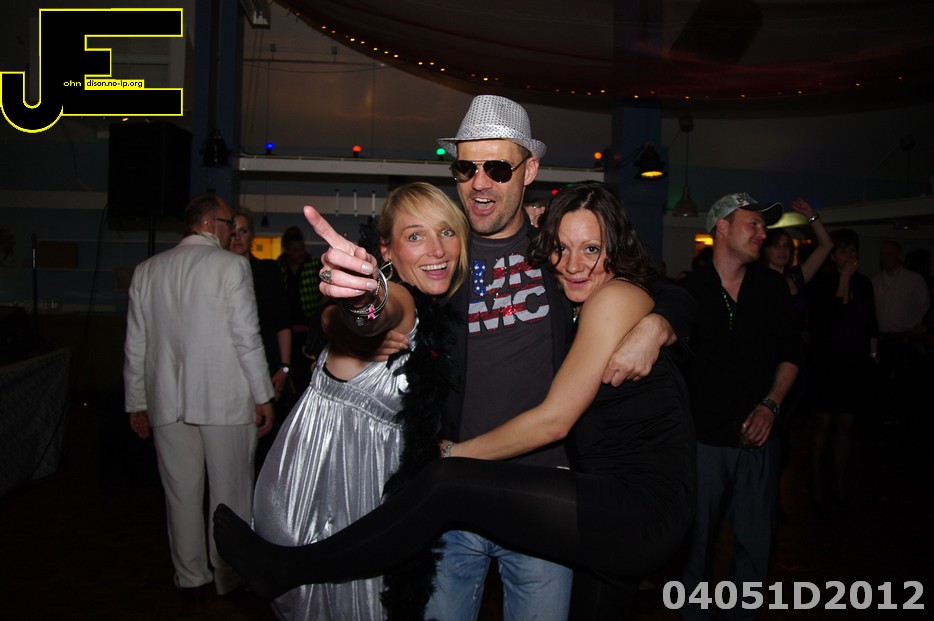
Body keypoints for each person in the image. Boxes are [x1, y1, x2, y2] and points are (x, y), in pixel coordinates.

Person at [213, 181, 697, 621]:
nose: (573, 264)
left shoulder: (612, 298)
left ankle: (290, 568)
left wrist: (447, 455)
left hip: (626, 502)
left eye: (591, 248)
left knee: (444, 484)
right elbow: (377, 308)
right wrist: (358, 304)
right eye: (562, 248)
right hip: (606, 505)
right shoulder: (572, 297)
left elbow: (555, 420)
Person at [429, 95, 694, 621]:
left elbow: (661, 287)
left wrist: (660, 322)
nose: (480, 182)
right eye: (466, 167)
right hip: (459, 503)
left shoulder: (554, 248)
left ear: (528, 171)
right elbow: (388, 304)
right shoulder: (446, 254)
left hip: (547, 492)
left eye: (497, 167)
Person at [252, 182, 469, 621]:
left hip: (368, 486)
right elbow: (371, 315)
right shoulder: (402, 299)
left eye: (447, 231)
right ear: (385, 250)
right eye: (415, 235)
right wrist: (360, 300)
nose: (437, 249)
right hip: (326, 488)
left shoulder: (436, 314)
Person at [124, 194, 275, 598]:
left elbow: (135, 345)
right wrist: (263, 395)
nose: (232, 232)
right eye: (228, 224)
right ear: (210, 224)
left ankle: (190, 576)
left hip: (166, 400)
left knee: (180, 494)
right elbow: (246, 337)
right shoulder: (231, 266)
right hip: (223, 400)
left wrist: (137, 402)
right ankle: (228, 576)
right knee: (231, 494)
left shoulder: (147, 270)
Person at [677, 192, 803, 621]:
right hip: (703, 443)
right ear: (723, 227)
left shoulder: (771, 287)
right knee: (695, 546)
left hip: (758, 441)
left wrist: (771, 405)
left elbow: (791, 355)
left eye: (764, 226)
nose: (763, 233)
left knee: (755, 544)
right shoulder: (689, 292)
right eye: (754, 224)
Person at [805, 228, 878, 505]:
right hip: (828, 361)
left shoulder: (864, 284)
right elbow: (829, 320)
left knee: (846, 422)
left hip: (853, 361)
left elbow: (871, 323)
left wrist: (873, 354)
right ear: (833, 255)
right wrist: (844, 279)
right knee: (824, 421)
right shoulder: (822, 282)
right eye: (843, 250)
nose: (849, 255)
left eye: (852, 250)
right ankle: (815, 480)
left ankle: (839, 481)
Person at [229, 206, 293, 473]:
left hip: (266, 365)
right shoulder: (217, 273)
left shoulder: (267, 270)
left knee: (265, 454)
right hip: (229, 372)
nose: (237, 237)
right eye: (232, 231)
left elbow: (282, 322)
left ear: (252, 235)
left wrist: (284, 367)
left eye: (243, 231)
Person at [760, 197, 833, 330]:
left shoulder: (795, 276)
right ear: (765, 249)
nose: (782, 250)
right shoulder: (756, 278)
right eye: (777, 245)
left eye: (786, 246)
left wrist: (810, 215)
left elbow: (826, 246)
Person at [278, 225, 325, 391]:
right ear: (287, 250)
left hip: (307, 328)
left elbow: (324, 294)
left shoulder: (313, 265)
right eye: (295, 249)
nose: (299, 253)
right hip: (285, 326)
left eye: (301, 249)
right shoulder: (279, 267)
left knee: (306, 374)